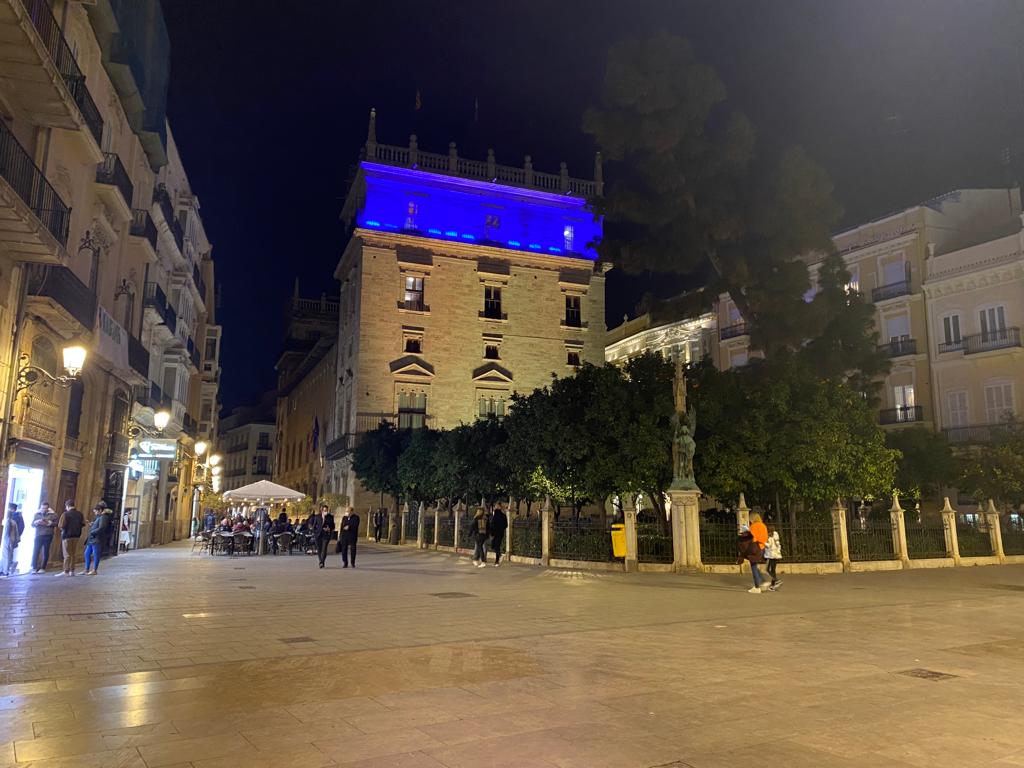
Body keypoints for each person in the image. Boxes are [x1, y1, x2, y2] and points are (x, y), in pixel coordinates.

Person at [83, 504, 113, 575]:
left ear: (100, 510)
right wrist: (92, 525)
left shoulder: (103, 517)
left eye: (96, 511)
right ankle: (86, 569)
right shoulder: (99, 517)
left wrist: (93, 531)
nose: (95, 513)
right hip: (92, 538)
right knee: (87, 553)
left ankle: (94, 570)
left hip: (97, 538)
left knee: (96, 554)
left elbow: (102, 528)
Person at [58, 499, 85, 576]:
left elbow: (61, 525)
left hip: (67, 536)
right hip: (76, 536)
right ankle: (72, 571)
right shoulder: (80, 514)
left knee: (67, 554)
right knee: (73, 554)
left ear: (67, 506)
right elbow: (83, 524)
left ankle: (66, 570)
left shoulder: (65, 514)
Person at [31, 502, 58, 573]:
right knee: (36, 551)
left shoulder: (53, 515)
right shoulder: (37, 514)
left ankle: (43, 567)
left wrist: (50, 523)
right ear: (41, 507)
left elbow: (57, 524)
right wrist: (36, 522)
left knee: (46, 551)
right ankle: (34, 567)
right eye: (43, 508)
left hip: (48, 535)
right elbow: (32, 524)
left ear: (48, 508)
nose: (44, 509)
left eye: (45, 508)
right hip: (38, 534)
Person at [0, 503, 21, 577]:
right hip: (11, 539)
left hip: (8, 539)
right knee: (8, 554)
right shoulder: (13, 521)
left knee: (6, 555)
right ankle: (6, 568)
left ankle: (5, 570)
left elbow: (7, 532)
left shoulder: (9, 521)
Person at [312, 504, 334, 568]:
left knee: (324, 549)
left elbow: (333, 526)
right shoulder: (317, 516)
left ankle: (321, 562)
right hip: (318, 535)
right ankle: (321, 561)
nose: (325, 511)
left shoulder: (330, 517)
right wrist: (315, 533)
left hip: (326, 535)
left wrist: (329, 528)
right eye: (324, 510)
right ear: (321, 510)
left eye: (326, 510)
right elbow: (314, 526)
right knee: (319, 549)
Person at [763, 525, 783, 591]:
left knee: (767, 570)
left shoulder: (769, 536)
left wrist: (763, 542)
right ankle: (772, 586)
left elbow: (769, 545)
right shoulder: (776, 535)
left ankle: (776, 580)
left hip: (770, 555)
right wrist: (778, 551)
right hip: (776, 555)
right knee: (773, 570)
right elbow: (778, 545)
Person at [489, 502, 508, 567]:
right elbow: (506, 525)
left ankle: (498, 557)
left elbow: (492, 525)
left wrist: (491, 533)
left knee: (494, 546)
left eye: (495, 506)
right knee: (497, 546)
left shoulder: (495, 515)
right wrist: (502, 529)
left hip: (495, 533)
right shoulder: (503, 515)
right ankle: (497, 561)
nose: (494, 507)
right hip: (501, 533)